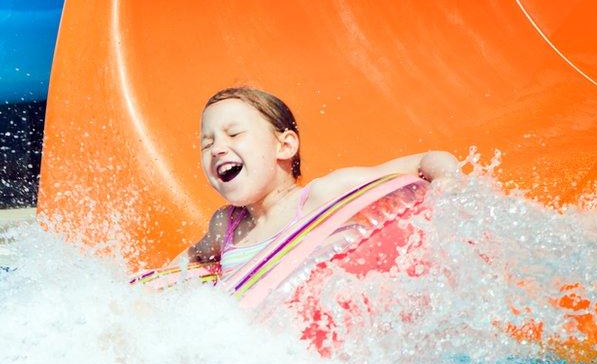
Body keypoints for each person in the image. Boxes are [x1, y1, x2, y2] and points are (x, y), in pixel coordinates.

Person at [175, 86, 459, 275]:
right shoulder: (225, 226)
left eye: (234, 134)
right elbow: (182, 268)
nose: (217, 149)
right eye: (206, 143)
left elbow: (427, 160)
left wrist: (449, 187)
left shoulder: (323, 196)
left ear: (284, 146)